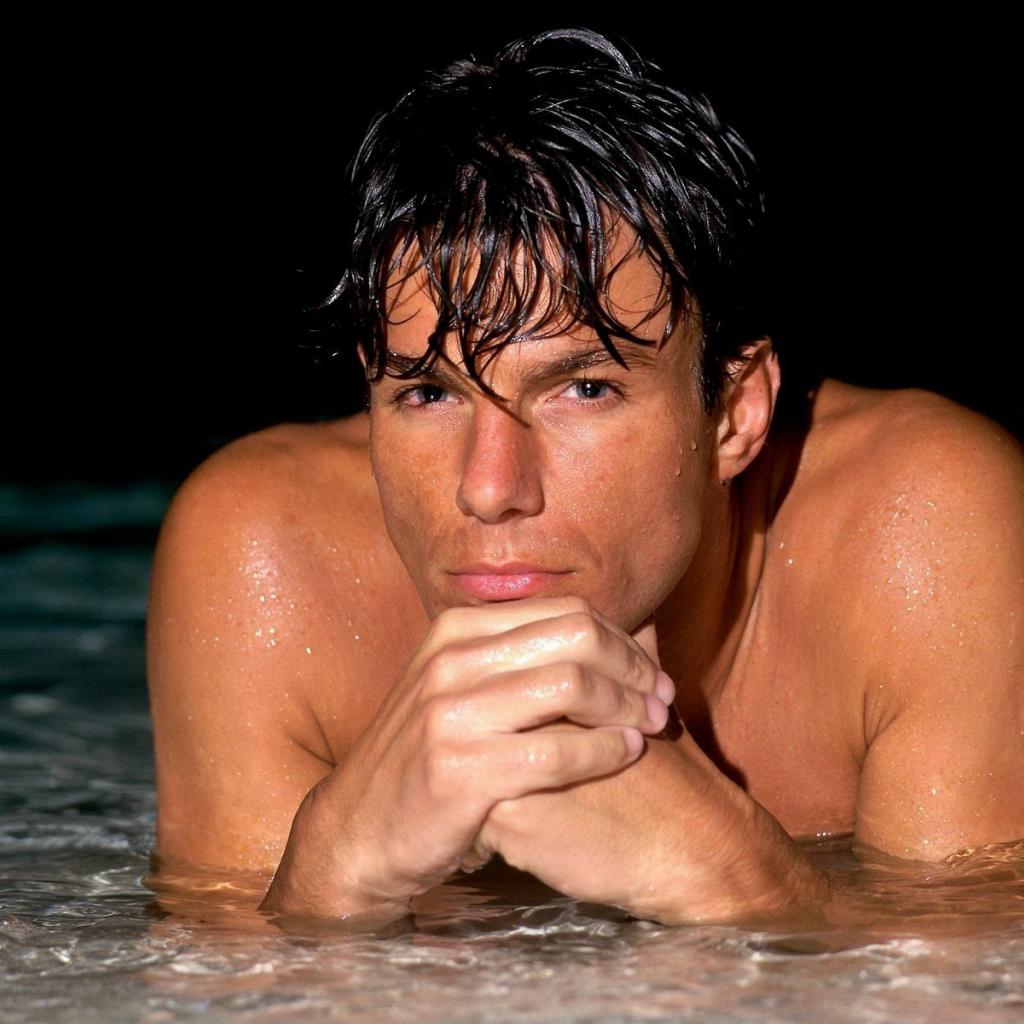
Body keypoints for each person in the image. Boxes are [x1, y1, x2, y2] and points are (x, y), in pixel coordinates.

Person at [145, 27, 1024, 929]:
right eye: (429, 394)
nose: (489, 488)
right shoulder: (267, 556)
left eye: (584, 389)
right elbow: (194, 979)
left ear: (733, 415)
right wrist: (329, 878)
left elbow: (973, 977)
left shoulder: (927, 528)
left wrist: (739, 876)